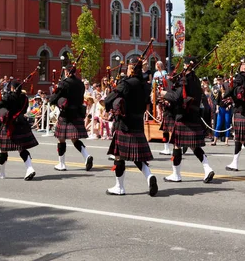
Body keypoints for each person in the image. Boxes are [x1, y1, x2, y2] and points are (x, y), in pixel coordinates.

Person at [104, 56, 158, 196]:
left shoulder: (126, 83)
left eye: (128, 67)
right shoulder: (145, 85)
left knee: (118, 156)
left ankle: (119, 187)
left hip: (125, 123)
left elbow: (109, 99)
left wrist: (107, 106)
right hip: (138, 123)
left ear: (131, 68)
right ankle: (150, 176)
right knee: (137, 157)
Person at [160, 56, 215, 183]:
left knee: (177, 145)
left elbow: (177, 97)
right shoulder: (196, 80)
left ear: (186, 65)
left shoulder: (184, 79)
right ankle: (208, 168)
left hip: (183, 115)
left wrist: (165, 94)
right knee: (194, 146)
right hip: (194, 115)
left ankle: (176, 174)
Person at [0, 80, 38, 181]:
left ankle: (1, 173)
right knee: (21, 148)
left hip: (10, 124)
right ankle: (30, 168)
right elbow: (24, 110)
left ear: (12, 88)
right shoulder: (24, 98)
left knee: (2, 150)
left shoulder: (8, 96)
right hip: (21, 123)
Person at [49, 64, 93, 172]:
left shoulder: (64, 83)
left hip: (66, 114)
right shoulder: (81, 83)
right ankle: (87, 156)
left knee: (61, 139)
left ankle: (61, 164)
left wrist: (55, 93)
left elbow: (54, 99)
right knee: (74, 139)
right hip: (77, 113)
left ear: (67, 72)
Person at [213, 75, 231, 145]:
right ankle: (215, 140)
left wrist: (229, 106)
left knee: (227, 124)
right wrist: (217, 109)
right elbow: (217, 101)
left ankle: (226, 141)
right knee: (218, 125)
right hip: (220, 109)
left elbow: (230, 101)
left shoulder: (228, 92)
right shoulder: (219, 92)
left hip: (226, 110)